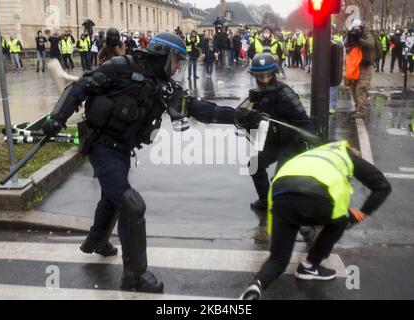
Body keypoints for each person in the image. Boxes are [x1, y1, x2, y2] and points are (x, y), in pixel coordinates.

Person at [42, 32, 263, 293]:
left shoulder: (165, 87)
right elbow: (78, 87)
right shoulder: (120, 67)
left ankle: (96, 241)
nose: (179, 66)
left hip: (123, 149)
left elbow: (201, 109)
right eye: (176, 60)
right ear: (163, 54)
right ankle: (135, 275)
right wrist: (57, 117)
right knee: (131, 204)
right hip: (101, 146)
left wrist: (239, 116)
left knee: (113, 196)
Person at [240, 141, 392, 300]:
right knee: (341, 220)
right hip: (316, 197)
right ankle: (310, 265)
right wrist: (360, 214)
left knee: (278, 260)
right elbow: (383, 186)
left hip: (281, 194)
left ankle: (257, 284)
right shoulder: (347, 155)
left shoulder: (312, 154)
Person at [245, 53, 316, 242]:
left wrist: (311, 142)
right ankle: (265, 200)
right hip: (273, 143)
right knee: (254, 165)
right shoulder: (257, 94)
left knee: (282, 182)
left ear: (274, 73)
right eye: (260, 76)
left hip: (293, 143)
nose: (264, 80)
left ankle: (304, 225)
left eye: (267, 75)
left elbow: (305, 122)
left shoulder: (286, 94)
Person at [345, 19, 375, 119]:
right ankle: (358, 107)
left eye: (357, 29)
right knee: (353, 86)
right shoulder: (352, 33)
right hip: (356, 64)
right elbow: (346, 45)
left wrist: (359, 39)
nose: (356, 31)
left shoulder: (367, 33)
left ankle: (361, 111)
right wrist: (350, 36)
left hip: (366, 65)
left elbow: (371, 45)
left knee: (361, 87)